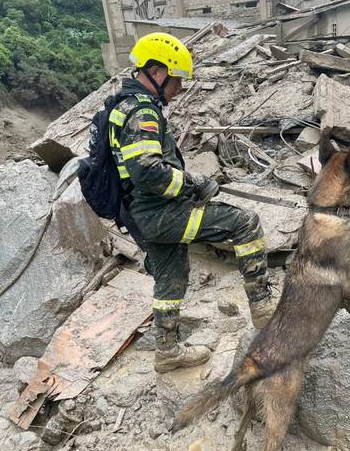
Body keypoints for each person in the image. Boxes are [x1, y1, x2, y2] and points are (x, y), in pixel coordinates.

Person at [109, 33, 276, 373]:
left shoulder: (122, 106)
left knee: (171, 276)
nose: (180, 88)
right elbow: (147, 172)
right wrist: (195, 183)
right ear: (157, 72)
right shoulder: (142, 114)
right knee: (246, 222)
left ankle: (167, 351)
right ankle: (263, 308)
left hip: (141, 213)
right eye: (177, 79)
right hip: (160, 212)